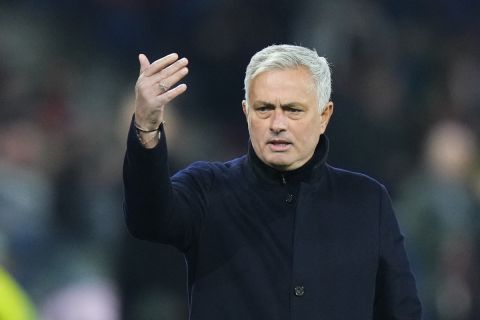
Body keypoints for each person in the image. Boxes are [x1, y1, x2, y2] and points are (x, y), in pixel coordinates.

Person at [123, 44, 422, 319]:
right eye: (264, 109)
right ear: (246, 112)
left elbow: (401, 311)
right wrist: (146, 129)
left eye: (293, 110)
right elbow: (147, 219)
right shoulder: (208, 188)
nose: (277, 124)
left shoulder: (367, 201)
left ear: (324, 116)